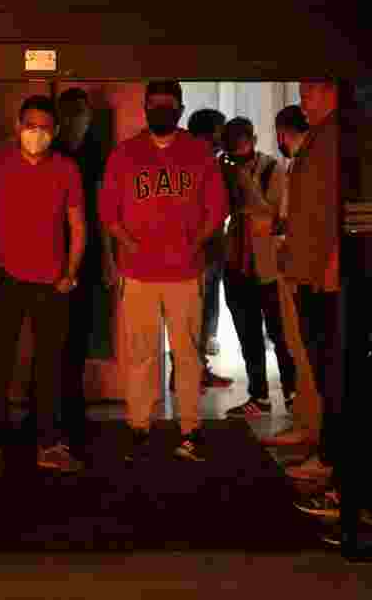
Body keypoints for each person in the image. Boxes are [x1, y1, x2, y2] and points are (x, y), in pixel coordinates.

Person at [280, 79, 372, 546]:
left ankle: (360, 501)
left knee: (345, 390)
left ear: (333, 91)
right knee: (337, 388)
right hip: (319, 280)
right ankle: (348, 489)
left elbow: (340, 212)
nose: (303, 97)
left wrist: (331, 268)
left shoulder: (341, 138)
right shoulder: (324, 136)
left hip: (335, 285)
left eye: (311, 89)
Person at [99, 81, 229, 463]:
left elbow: (216, 208)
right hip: (138, 272)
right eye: (154, 104)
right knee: (141, 353)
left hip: (186, 271)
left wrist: (196, 241)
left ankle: (190, 429)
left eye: (168, 105)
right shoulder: (126, 154)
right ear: (145, 107)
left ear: (180, 108)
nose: (161, 110)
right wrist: (129, 242)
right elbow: (109, 212)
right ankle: (139, 426)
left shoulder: (199, 152)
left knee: (188, 353)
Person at [0, 94, 87, 473]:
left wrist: (70, 272)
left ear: (54, 132)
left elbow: (77, 224)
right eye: (29, 126)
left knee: (50, 365)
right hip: (5, 277)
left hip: (52, 281)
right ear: (17, 127)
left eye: (43, 128)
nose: (35, 134)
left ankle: (49, 443)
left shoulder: (66, 169)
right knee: (0, 365)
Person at [217, 117, 297, 418]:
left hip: (268, 265)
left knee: (280, 333)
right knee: (248, 334)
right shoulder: (224, 169)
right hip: (236, 262)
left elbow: (272, 214)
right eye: (232, 144)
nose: (238, 148)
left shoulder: (272, 169)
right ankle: (259, 395)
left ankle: (292, 393)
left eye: (242, 141)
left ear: (252, 139)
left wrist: (244, 181)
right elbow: (220, 210)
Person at [51, 87, 109, 460]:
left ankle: (72, 416)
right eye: (71, 116)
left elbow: (102, 209)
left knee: (77, 340)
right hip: (49, 257)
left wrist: (107, 259)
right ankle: (53, 417)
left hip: (84, 259)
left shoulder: (95, 152)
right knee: (52, 341)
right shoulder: (51, 153)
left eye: (82, 116)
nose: (77, 122)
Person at [261, 104, 321, 447]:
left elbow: (294, 221)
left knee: (303, 349)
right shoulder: (299, 164)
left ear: (283, 132)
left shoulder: (303, 166)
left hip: (298, 269)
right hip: (296, 266)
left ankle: (309, 426)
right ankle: (305, 421)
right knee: (300, 349)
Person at [186, 108, 234, 389]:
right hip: (199, 247)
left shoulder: (213, 161)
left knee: (205, 309)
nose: (224, 136)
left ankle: (198, 368)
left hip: (211, 245)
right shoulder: (198, 162)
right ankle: (191, 371)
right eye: (220, 130)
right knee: (196, 311)